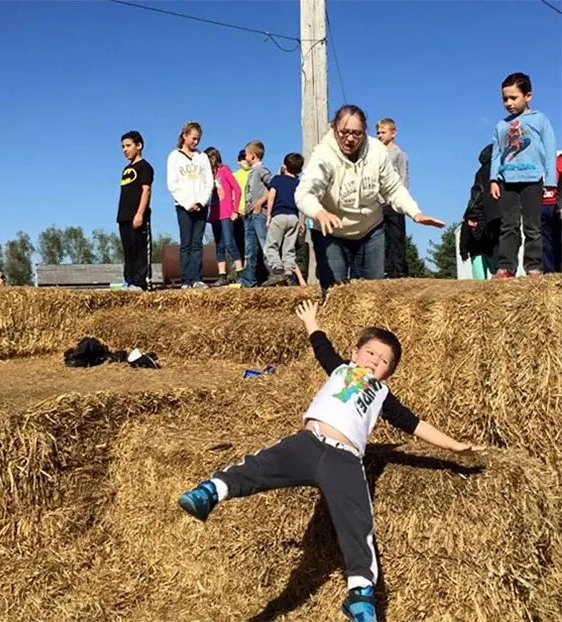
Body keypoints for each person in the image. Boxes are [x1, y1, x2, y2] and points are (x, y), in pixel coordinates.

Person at [178, 300, 484, 622]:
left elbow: (414, 424)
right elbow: (321, 348)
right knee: (259, 466)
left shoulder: (381, 394)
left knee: (358, 522)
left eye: (384, 362)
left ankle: (360, 595)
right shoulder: (340, 368)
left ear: (388, 374)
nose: (375, 362)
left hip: (345, 459)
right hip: (308, 443)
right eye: (371, 354)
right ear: (355, 353)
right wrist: (311, 321)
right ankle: (210, 492)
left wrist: (453, 446)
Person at [295, 105, 444, 294]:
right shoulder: (323, 155)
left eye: (357, 133)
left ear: (364, 132)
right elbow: (304, 193)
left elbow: (393, 188)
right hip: (332, 232)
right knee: (335, 294)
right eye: (344, 132)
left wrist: (415, 212)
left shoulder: (377, 151)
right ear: (334, 129)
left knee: (372, 294)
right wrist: (319, 212)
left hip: (370, 231)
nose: (350, 139)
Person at [489, 72, 557, 279]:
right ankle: (506, 266)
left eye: (513, 98)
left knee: (532, 226)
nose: (508, 103)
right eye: (504, 99)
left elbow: (550, 148)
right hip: (507, 181)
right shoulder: (501, 125)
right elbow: (497, 153)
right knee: (508, 225)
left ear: (528, 96)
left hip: (532, 180)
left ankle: (533, 266)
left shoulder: (539, 120)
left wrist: (551, 182)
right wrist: (494, 179)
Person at [167, 121, 214, 289]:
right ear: (184, 136)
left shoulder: (202, 158)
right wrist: (187, 203)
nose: (195, 142)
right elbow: (172, 184)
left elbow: (209, 182)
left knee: (197, 243)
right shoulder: (174, 156)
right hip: (183, 206)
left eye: (198, 139)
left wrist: (201, 202)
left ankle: (197, 278)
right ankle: (186, 279)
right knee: (186, 242)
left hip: (201, 206)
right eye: (193, 138)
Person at [116, 130, 154, 292]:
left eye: (128, 146)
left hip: (137, 216)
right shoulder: (126, 169)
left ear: (139, 146)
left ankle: (141, 282)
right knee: (128, 250)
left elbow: (146, 191)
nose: (125, 149)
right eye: (123, 146)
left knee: (139, 249)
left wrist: (139, 214)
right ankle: (129, 280)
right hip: (123, 216)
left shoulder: (145, 167)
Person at [262, 152, 305, 286]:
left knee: (271, 246)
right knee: (289, 249)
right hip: (293, 218)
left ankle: (277, 269)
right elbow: (302, 203)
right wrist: (302, 221)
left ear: (284, 166)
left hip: (279, 216)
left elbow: (271, 197)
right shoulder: (299, 184)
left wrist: (269, 215)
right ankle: (288, 273)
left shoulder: (277, 180)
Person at [204, 147, 244, 286]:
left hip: (226, 213)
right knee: (219, 246)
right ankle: (222, 275)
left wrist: (235, 210)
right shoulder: (208, 176)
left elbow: (237, 189)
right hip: (215, 213)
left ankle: (240, 273)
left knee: (229, 243)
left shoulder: (224, 170)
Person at [459, 145, 500, 279]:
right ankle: (501, 270)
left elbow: (476, 193)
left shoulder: (480, 172)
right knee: (499, 242)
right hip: (499, 210)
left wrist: (472, 212)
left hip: (487, 213)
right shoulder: (499, 168)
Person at [376, 118, 409, 278]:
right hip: (379, 202)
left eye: (383, 132)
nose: (380, 135)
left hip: (394, 200)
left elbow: (403, 176)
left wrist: (402, 199)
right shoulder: (377, 154)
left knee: (396, 236)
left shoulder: (399, 154)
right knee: (383, 238)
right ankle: (386, 270)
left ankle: (400, 270)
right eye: (378, 133)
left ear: (393, 133)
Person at [240, 141, 273, 288]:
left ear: (252, 156)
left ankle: (274, 275)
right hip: (249, 216)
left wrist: (260, 202)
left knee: (265, 244)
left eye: (246, 154)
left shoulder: (261, 170)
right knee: (250, 249)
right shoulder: (251, 172)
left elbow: (273, 187)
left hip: (259, 214)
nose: (244, 157)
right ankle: (248, 281)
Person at [541, 151, 562, 273]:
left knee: (556, 239)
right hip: (545, 204)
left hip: (554, 202)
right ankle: (549, 270)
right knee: (546, 240)